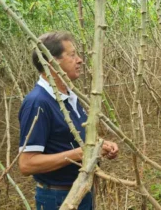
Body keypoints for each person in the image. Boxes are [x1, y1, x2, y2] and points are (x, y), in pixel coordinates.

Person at [18, 31, 119, 210]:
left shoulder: (70, 95)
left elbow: (72, 140)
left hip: (82, 189)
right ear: (52, 62)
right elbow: (27, 164)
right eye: (72, 55)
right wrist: (81, 153)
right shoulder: (38, 103)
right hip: (58, 198)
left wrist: (99, 146)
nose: (79, 60)